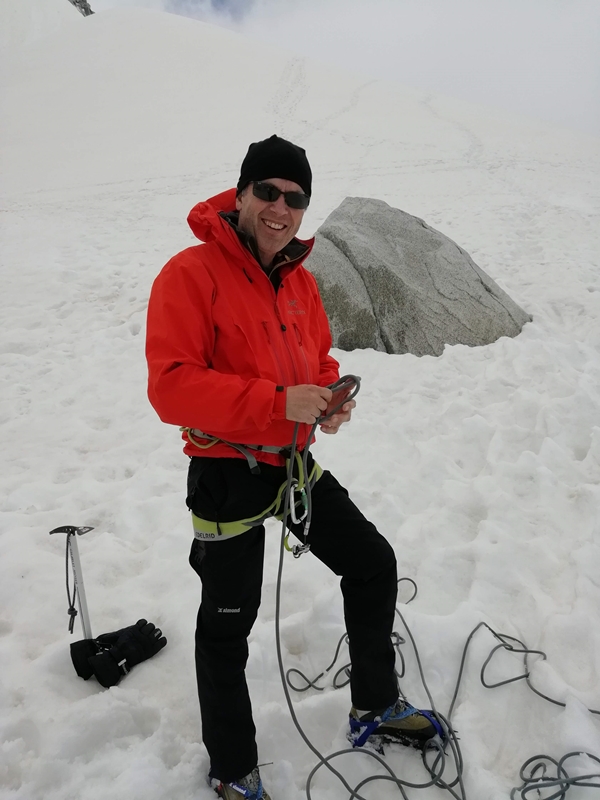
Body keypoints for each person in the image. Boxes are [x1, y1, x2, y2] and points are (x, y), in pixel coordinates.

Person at [145, 135, 441, 800]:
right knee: (227, 624)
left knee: (372, 562)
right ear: (244, 193)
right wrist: (279, 403)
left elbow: (320, 360)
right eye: (269, 192)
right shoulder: (190, 275)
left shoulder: (301, 282)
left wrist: (326, 399)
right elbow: (169, 386)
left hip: (292, 467)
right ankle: (231, 767)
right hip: (224, 473)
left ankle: (374, 703)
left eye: (296, 198)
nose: (281, 208)